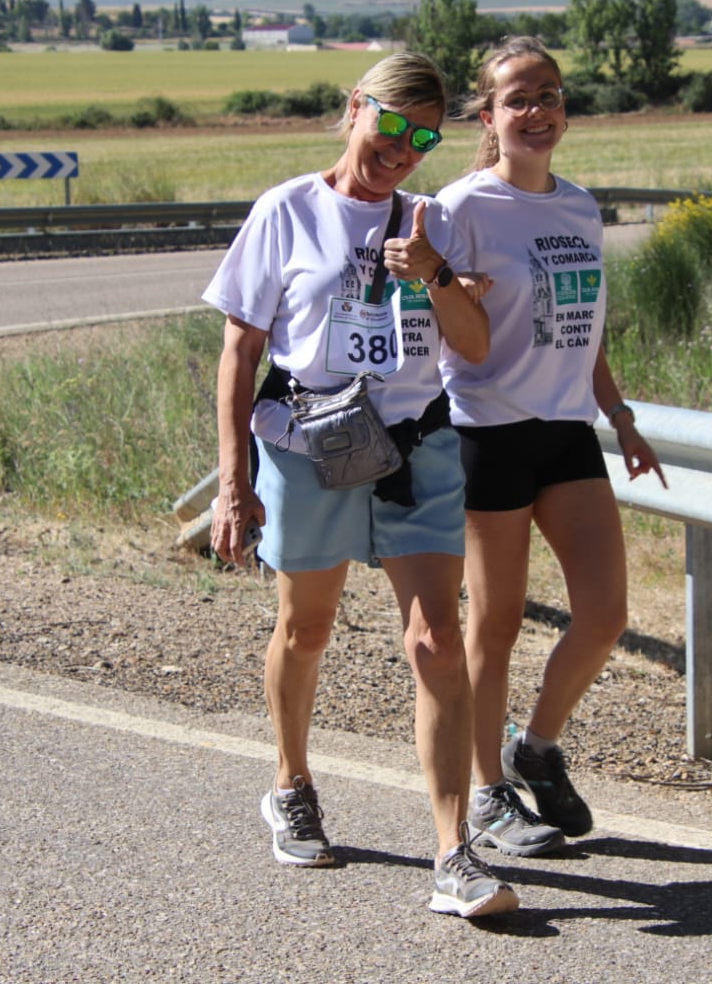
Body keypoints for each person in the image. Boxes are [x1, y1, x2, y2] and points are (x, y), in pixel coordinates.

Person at [202, 51, 518, 919]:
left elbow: (476, 346)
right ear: (355, 109)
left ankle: (454, 853)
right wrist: (235, 484)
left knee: (435, 644)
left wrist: (437, 275)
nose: (404, 148)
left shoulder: (431, 221)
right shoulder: (287, 212)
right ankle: (290, 781)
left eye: (425, 135)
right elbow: (239, 352)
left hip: (417, 449)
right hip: (311, 444)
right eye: (393, 124)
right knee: (306, 629)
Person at [434, 36, 666, 858]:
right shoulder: (456, 208)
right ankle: (490, 800)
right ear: (488, 116)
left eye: (550, 96)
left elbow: (583, 325)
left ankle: (533, 748)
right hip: (486, 431)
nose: (537, 112)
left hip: (566, 429)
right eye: (518, 100)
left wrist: (620, 415)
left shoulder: (578, 206)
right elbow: (446, 333)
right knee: (491, 626)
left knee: (603, 615)